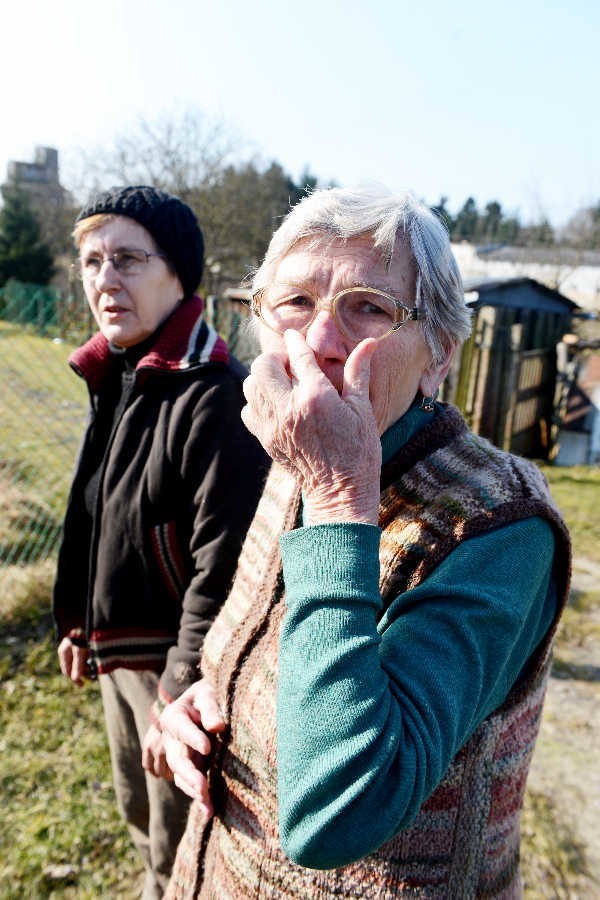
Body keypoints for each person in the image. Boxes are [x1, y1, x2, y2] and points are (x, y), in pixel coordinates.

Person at [160, 185, 571, 899]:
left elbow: (342, 812)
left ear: (438, 355)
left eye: (369, 308)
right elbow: (279, 642)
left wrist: (337, 494)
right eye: (294, 304)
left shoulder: (502, 525)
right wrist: (202, 696)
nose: (318, 341)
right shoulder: (302, 452)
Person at [52, 185, 268, 899]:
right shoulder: (118, 372)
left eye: (127, 260)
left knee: (184, 842)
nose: (104, 280)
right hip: (124, 657)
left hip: (179, 674)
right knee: (139, 816)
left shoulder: (212, 394)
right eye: (91, 262)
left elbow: (225, 568)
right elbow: (102, 514)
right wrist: (83, 623)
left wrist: (178, 687)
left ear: (179, 274)